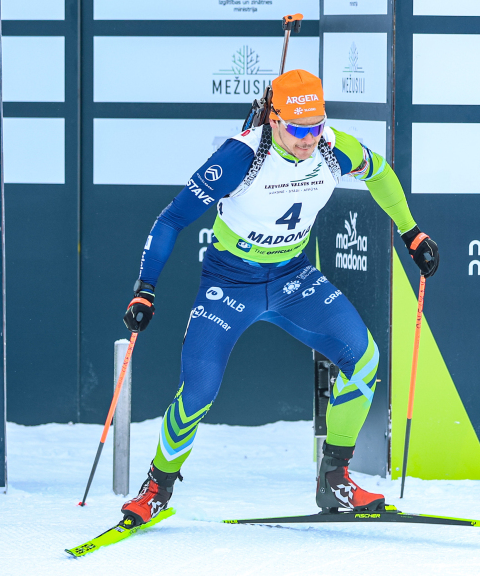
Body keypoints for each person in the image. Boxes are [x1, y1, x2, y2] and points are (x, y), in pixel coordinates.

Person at [119, 69, 439, 524]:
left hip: (293, 277)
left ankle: (334, 479)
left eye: (316, 126)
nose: (309, 139)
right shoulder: (241, 157)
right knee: (199, 391)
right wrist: (145, 289)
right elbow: (171, 219)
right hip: (231, 282)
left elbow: (380, 173)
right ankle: (157, 489)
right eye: (297, 128)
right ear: (274, 120)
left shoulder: (333, 149)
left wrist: (411, 233)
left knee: (365, 360)